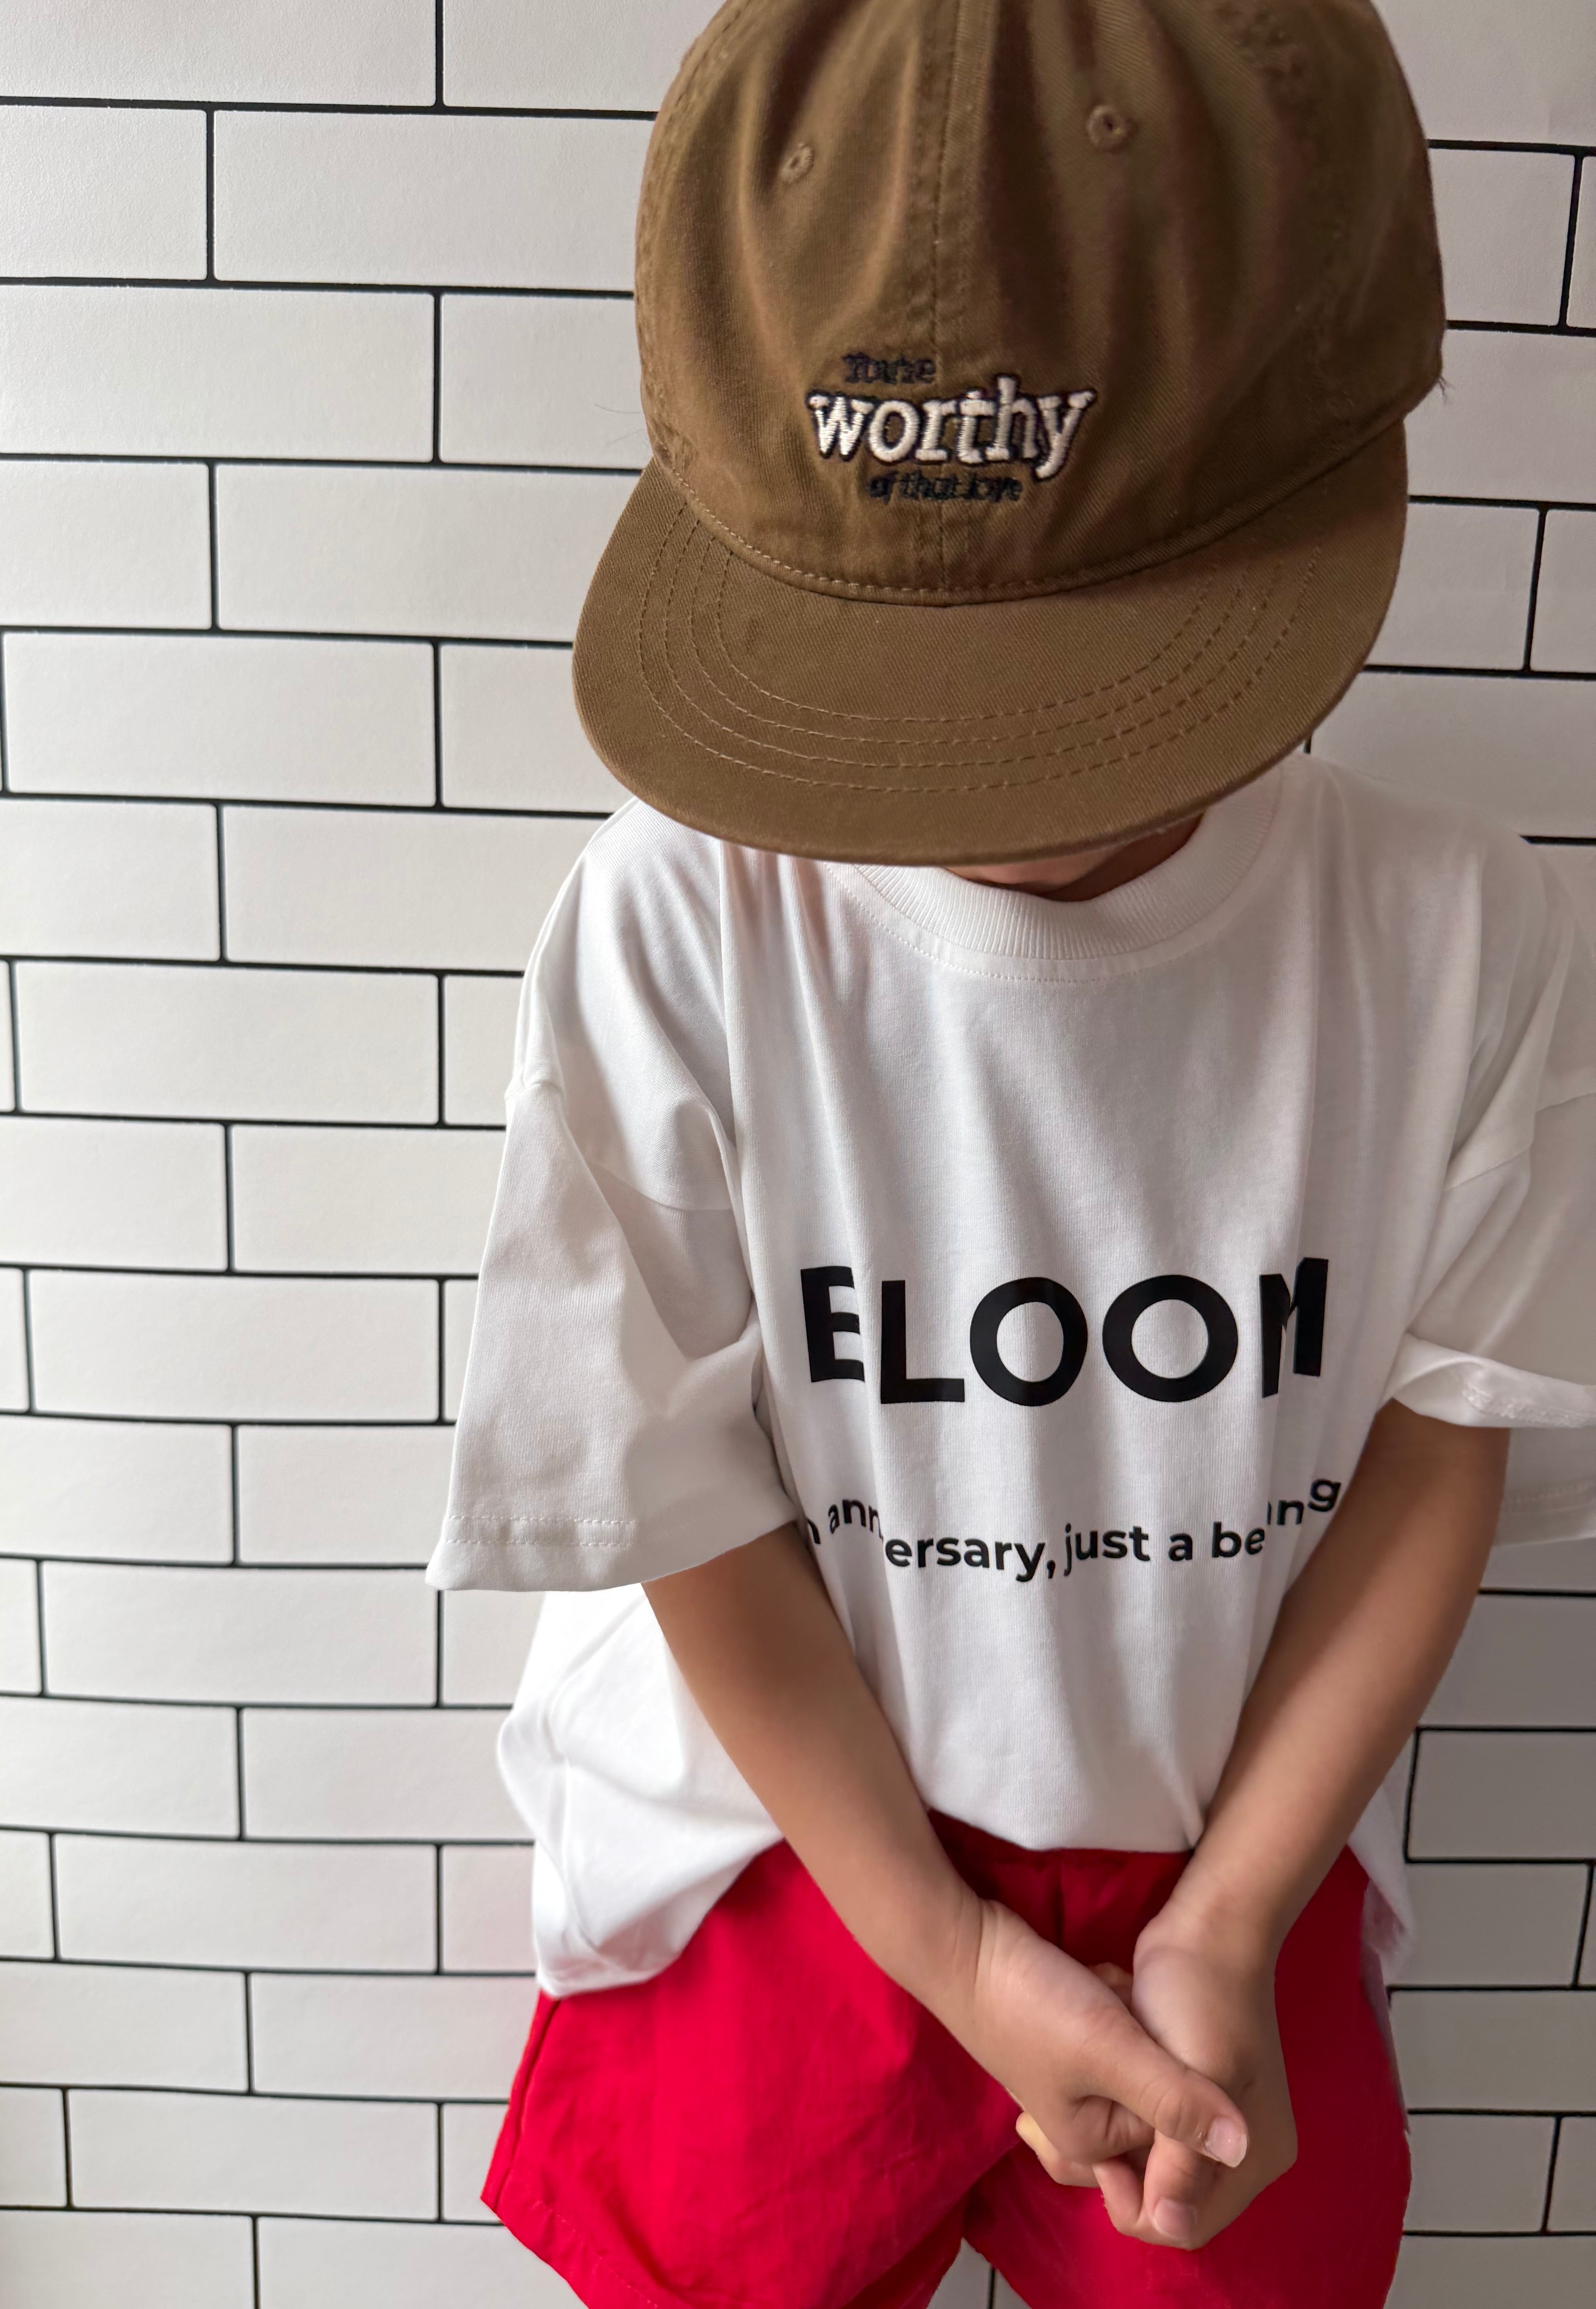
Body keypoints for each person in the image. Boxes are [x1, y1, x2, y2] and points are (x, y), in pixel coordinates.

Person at [425, 3, 1596, 2305]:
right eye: (907, 706)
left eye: (1085, 698)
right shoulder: (683, 916)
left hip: (1223, 1835)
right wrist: (951, 1951)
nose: (1003, 807)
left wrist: (1231, 1915)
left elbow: (1441, 1446)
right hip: (778, 1836)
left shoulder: (1455, 934)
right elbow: (673, 1491)